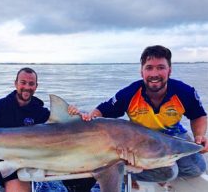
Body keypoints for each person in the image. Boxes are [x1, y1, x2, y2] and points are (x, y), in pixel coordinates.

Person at [77, 45, 208, 185]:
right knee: (169, 172)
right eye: (149, 67)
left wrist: (199, 136)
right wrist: (88, 119)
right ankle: (128, 175)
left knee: (197, 168)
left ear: (169, 70)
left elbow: (198, 115)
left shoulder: (184, 92)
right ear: (141, 71)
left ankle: (145, 170)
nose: (154, 74)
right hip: (140, 138)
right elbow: (102, 111)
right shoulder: (129, 94)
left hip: (173, 133)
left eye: (161, 67)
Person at [0, 67, 63, 192]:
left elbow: (62, 128)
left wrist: (74, 113)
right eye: (23, 82)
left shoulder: (41, 113)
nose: (27, 87)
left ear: (36, 86)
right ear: (16, 83)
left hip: (18, 168)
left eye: (31, 84)